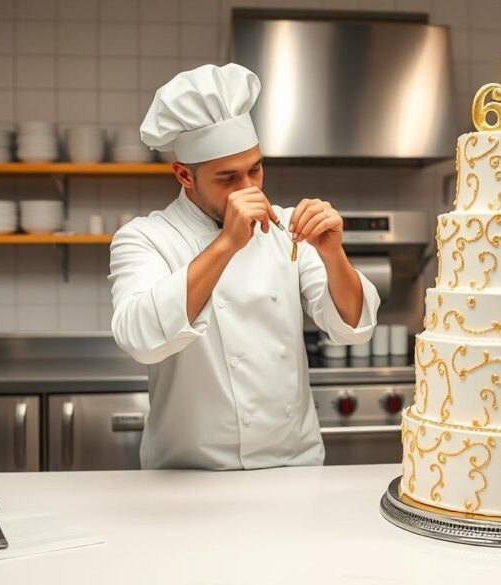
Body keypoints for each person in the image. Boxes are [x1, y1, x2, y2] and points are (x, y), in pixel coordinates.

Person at [109, 63, 381, 470]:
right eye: (227, 177)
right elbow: (139, 337)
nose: (249, 188)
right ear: (185, 175)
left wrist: (332, 253)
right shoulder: (146, 237)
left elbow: (353, 328)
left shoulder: (287, 227)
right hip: (189, 478)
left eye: (255, 168)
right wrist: (226, 245)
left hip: (294, 471)